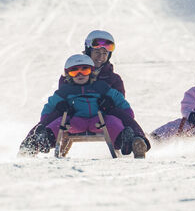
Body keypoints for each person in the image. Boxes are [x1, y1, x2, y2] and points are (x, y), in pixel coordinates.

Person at [20, 54, 150, 158]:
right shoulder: (65, 90)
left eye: (85, 70)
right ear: (67, 74)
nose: (80, 74)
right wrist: (48, 119)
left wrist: (125, 116)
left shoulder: (100, 87)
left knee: (113, 121)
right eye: (74, 72)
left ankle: (128, 141)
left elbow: (120, 101)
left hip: (99, 120)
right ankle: (40, 140)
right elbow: (49, 107)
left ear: (91, 72)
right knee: (59, 122)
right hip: (75, 122)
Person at [58, 30, 125, 95]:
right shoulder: (71, 74)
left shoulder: (113, 79)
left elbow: (121, 103)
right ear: (88, 52)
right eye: (97, 52)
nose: (100, 57)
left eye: (105, 53)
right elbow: (59, 98)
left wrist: (110, 104)